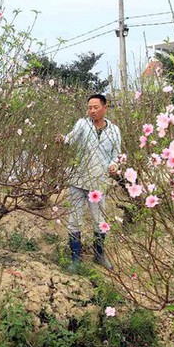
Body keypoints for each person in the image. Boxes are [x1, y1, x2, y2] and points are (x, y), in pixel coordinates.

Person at [58, 94, 121, 273]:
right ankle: (75, 260)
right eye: (89, 108)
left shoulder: (114, 131)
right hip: (77, 180)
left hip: (99, 182)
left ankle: (99, 255)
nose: (92, 111)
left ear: (105, 107)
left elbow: (116, 155)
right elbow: (70, 139)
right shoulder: (82, 124)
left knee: (99, 220)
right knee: (74, 220)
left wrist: (114, 166)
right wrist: (62, 139)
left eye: (95, 107)